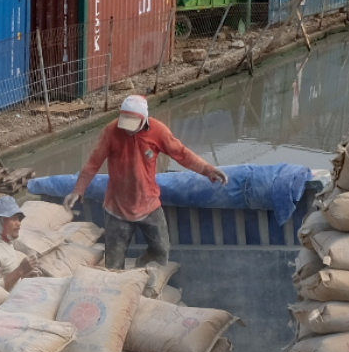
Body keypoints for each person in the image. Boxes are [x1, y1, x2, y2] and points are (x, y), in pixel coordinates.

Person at [63, 94, 227, 270]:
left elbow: (182, 153)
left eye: (133, 126)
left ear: (144, 120)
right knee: (114, 263)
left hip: (149, 205)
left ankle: (142, 267)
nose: (128, 130)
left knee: (161, 251)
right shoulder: (111, 131)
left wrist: (207, 169)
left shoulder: (158, 131)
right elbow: (93, 163)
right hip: (117, 208)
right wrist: (78, 190)